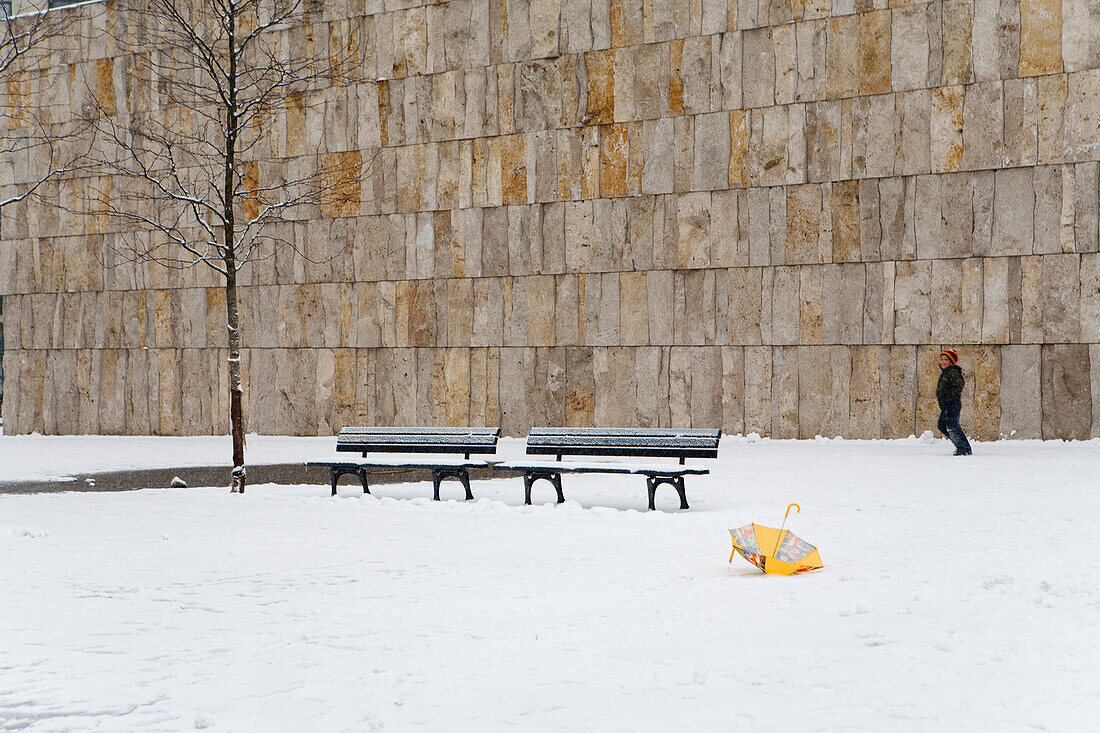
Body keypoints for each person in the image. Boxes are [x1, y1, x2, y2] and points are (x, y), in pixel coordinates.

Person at [936, 349, 972, 456]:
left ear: (951, 362)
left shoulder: (953, 372)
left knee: (952, 426)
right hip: (946, 404)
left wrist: (949, 397)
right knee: (943, 425)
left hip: (952, 403)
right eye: (941, 359)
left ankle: (964, 448)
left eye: (946, 359)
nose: (943, 362)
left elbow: (959, 385)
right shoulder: (945, 373)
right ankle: (961, 445)